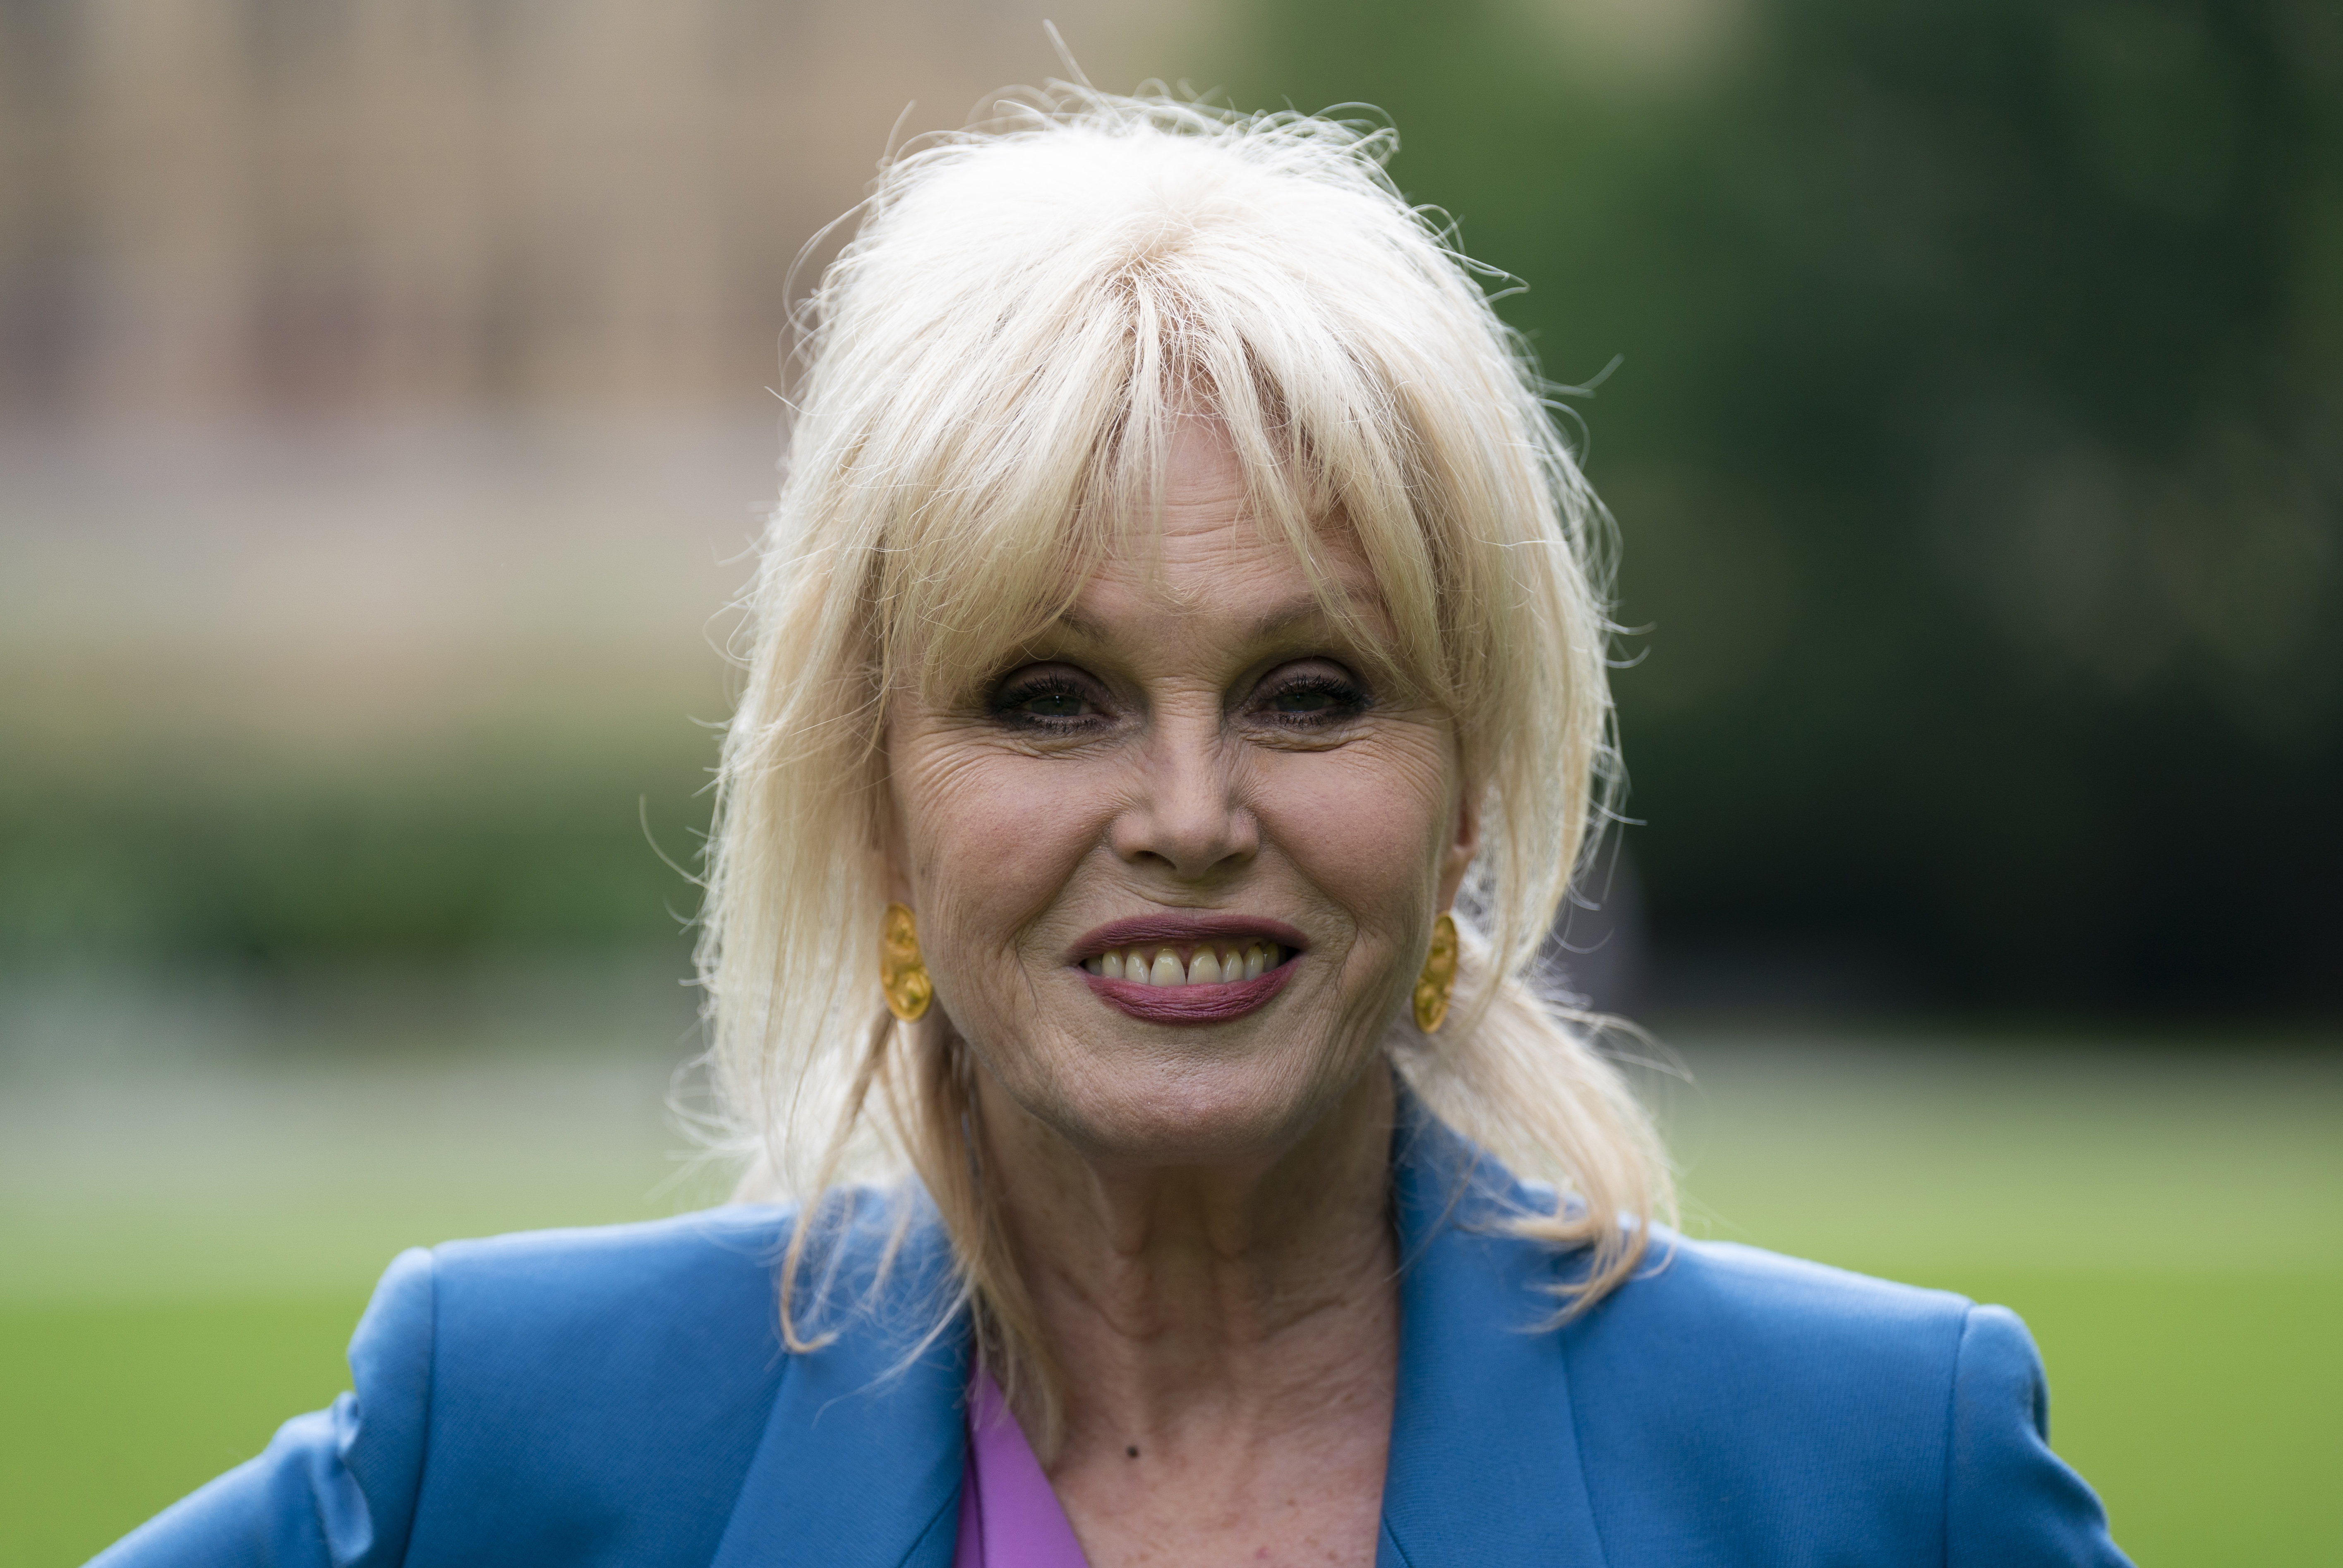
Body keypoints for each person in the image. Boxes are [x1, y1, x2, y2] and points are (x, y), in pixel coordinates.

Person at [94, 89, 2130, 1568]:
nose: (1185, 813)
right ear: (870, 797)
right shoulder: (518, 1432)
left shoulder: (1882, 1468)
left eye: (1310, 691)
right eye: (1047, 699)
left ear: (1476, 789)